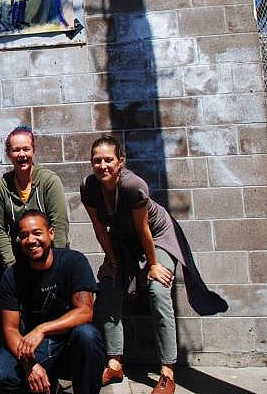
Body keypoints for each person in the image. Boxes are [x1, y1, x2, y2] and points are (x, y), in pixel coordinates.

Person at [81, 136, 228, 394]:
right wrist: (112, 261)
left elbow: (144, 229)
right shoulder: (89, 187)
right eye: (97, 160)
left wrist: (153, 265)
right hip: (122, 240)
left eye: (108, 159)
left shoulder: (133, 186)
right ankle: (114, 362)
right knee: (109, 284)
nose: (102, 165)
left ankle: (167, 370)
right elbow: (99, 228)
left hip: (157, 238)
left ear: (120, 161)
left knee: (158, 290)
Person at [0, 210, 105, 394]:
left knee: (88, 335)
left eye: (37, 233)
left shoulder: (73, 261)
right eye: (24, 235)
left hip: (70, 343)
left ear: (51, 233)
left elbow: (85, 312)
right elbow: (10, 328)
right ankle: (50, 385)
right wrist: (30, 366)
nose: (31, 240)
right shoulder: (12, 276)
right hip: (34, 347)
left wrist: (41, 329)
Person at [0, 126, 69, 268]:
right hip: (21, 260)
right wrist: (11, 264)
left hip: (52, 257)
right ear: (8, 153)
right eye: (16, 150)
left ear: (33, 150)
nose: (22, 154)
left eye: (26, 149)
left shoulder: (49, 181)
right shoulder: (1, 188)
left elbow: (59, 224)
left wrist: (57, 263)